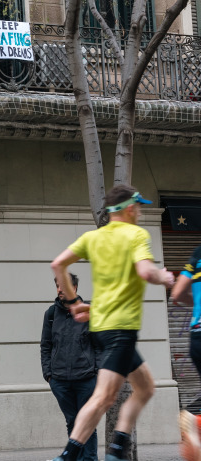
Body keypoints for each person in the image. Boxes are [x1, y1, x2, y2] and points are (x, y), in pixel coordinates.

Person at [49, 185, 175, 461]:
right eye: (139, 207)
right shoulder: (136, 235)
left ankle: (118, 447)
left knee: (146, 388)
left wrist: (72, 305)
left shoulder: (92, 238)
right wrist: (163, 277)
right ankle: (69, 456)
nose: (140, 212)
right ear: (130, 208)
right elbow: (145, 271)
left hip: (103, 326)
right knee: (104, 397)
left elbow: (58, 265)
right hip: (121, 330)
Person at [41, 273, 98, 461]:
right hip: (60, 380)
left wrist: (96, 370)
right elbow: (46, 345)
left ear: (74, 288)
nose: (59, 289)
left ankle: (89, 459)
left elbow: (99, 343)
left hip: (86, 378)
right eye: (57, 285)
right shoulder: (51, 314)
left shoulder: (89, 311)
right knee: (72, 421)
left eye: (63, 285)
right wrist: (48, 374)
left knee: (87, 421)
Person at [171, 243, 201, 461]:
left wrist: (196, 304)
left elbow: (177, 293)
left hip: (197, 335)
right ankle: (195, 418)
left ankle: (194, 417)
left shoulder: (198, 253)